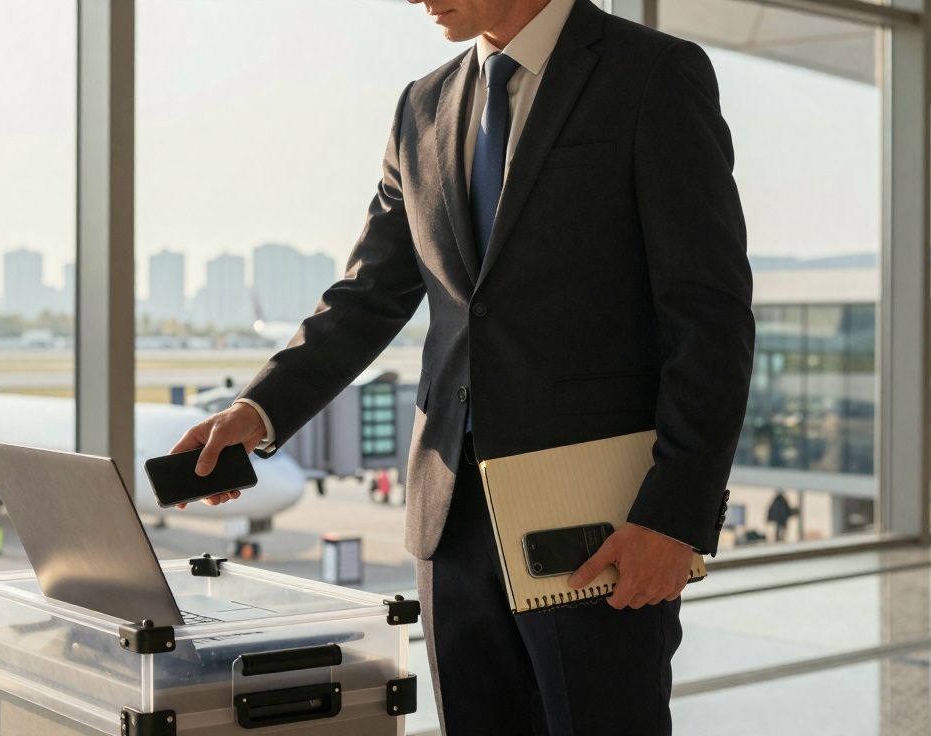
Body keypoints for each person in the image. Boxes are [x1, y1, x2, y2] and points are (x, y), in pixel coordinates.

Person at [168, 0, 754, 733]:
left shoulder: (653, 75)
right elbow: (368, 294)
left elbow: (709, 317)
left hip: (598, 520)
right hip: (450, 519)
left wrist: (673, 518)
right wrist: (257, 411)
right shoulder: (422, 105)